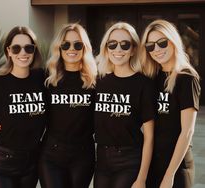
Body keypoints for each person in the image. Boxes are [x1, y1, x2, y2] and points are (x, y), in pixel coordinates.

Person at [0, 26, 48, 188]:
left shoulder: (42, 79)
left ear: (34, 51)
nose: (22, 53)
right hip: (4, 163)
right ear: (8, 51)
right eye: (16, 48)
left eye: (28, 48)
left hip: (32, 163)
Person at [140, 19, 201, 188]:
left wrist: (170, 175)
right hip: (153, 163)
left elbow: (187, 132)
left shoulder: (186, 78)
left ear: (173, 41)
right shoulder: (152, 77)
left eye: (162, 43)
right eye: (150, 45)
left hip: (177, 167)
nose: (156, 49)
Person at [94, 22, 155, 188]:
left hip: (129, 160)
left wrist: (142, 179)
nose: (118, 49)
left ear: (133, 49)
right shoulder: (98, 81)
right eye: (112, 44)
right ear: (106, 49)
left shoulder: (144, 85)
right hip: (101, 160)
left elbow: (149, 137)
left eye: (125, 44)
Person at [38, 23, 97, 188]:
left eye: (78, 44)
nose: (72, 49)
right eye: (66, 44)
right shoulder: (47, 77)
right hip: (51, 154)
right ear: (59, 47)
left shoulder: (95, 80)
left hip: (83, 155)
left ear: (84, 48)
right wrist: (1, 123)